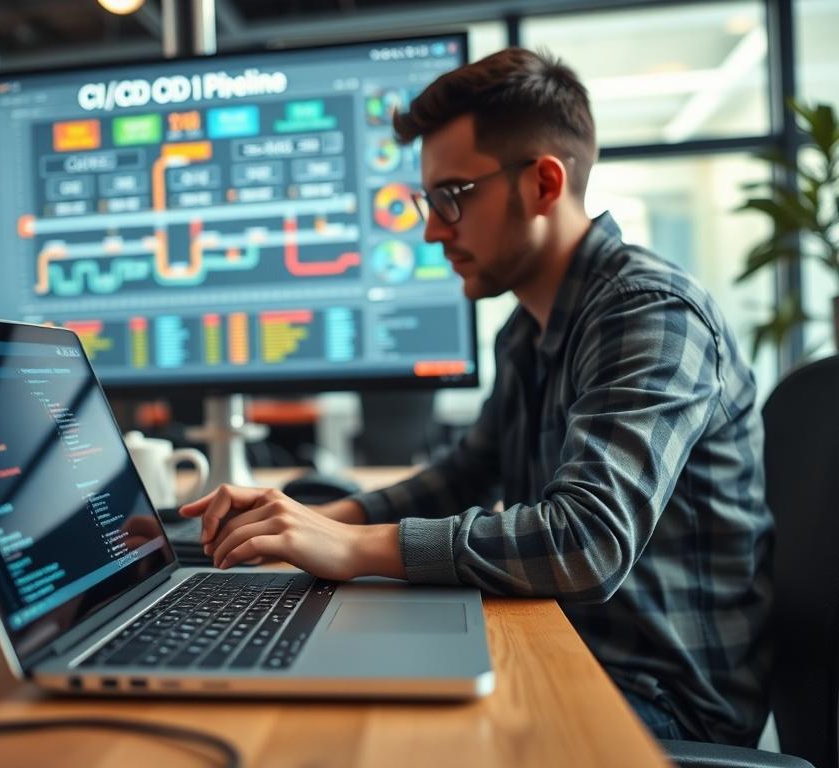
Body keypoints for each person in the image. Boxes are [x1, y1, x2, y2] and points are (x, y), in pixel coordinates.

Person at [180, 47, 772, 746]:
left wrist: (354, 546)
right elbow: (465, 474)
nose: (432, 229)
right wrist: (302, 522)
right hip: (570, 645)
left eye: (452, 197)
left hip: (663, 704)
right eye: (427, 201)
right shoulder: (527, 328)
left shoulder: (650, 313)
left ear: (545, 183)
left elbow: (585, 541)